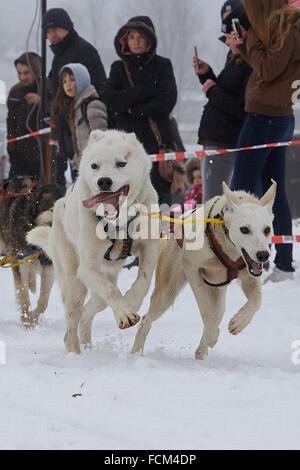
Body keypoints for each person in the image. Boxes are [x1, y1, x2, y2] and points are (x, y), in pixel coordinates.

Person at [230, 0, 300, 281]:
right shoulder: (290, 23)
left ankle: (240, 261)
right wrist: (245, 47)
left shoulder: (286, 24)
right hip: (278, 116)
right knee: (275, 193)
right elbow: (273, 68)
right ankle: (282, 262)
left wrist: (252, 40)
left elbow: (269, 70)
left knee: (240, 193)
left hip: (265, 118)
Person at [102, 16, 185, 207]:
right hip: (126, 143)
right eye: (131, 37)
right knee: (127, 196)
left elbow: (167, 100)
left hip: (157, 141)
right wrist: (142, 93)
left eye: (141, 36)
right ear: (124, 41)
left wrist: (133, 110)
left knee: (159, 197)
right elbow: (111, 99)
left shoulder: (163, 65)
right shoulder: (118, 68)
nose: (136, 41)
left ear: (150, 39)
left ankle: (161, 235)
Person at [193, 0, 252, 203]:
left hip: (225, 140)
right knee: (214, 202)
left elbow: (239, 106)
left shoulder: (249, 61)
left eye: (229, 36)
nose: (227, 42)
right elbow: (227, 91)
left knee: (215, 204)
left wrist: (211, 90)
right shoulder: (235, 56)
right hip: (218, 138)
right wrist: (206, 75)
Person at [42, 7, 107, 185]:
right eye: (48, 31)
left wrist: (81, 107)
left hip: (83, 127)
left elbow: (101, 86)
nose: (52, 34)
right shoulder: (58, 57)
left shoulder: (84, 50)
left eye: (55, 29)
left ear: (67, 27)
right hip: (67, 133)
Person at [52, 63, 108, 181]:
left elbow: (102, 141)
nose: (68, 84)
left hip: (93, 170)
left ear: (82, 80)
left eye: (72, 79)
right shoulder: (75, 107)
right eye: (64, 81)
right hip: (81, 167)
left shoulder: (92, 105)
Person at [6, 52, 50, 179]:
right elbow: (11, 123)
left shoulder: (48, 87)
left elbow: (59, 112)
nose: (22, 77)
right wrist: (12, 150)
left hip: (44, 154)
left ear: (36, 71)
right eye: (19, 73)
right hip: (20, 155)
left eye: (26, 73)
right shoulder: (15, 91)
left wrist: (42, 102)